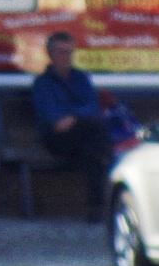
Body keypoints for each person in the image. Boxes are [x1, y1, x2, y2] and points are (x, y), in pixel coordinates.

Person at [30, 31, 115, 218]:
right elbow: (56, 121)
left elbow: (93, 106)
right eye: (61, 52)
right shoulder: (43, 84)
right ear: (51, 54)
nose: (66, 57)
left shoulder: (81, 79)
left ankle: (96, 209)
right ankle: (102, 206)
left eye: (69, 52)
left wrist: (74, 116)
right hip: (58, 140)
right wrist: (77, 115)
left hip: (84, 138)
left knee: (93, 154)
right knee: (97, 143)